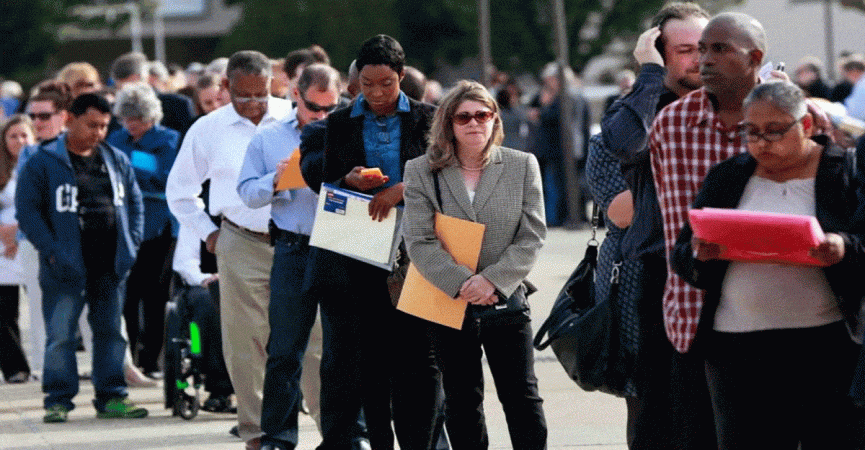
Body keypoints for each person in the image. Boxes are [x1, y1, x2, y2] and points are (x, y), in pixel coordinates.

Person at [672, 80, 863, 449]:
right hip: (736, 351)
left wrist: (842, 247)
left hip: (825, 346)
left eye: (775, 131)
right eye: (751, 132)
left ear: (805, 125)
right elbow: (682, 255)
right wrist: (700, 253)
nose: (762, 143)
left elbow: (861, 241)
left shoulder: (843, 171)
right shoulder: (727, 177)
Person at [307, 34, 437, 450]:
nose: (377, 93)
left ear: (401, 77)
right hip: (360, 244)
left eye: (386, 83)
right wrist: (350, 180)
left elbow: (445, 175)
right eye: (367, 84)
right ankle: (378, 441)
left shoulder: (428, 117)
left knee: (418, 360)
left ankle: (423, 441)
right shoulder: (340, 122)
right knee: (369, 360)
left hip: (419, 246)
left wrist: (401, 188)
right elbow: (326, 178)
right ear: (356, 82)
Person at [402, 79, 547, 449]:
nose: (474, 123)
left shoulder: (521, 165)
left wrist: (492, 282)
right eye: (463, 117)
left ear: (495, 119)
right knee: (463, 400)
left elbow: (532, 235)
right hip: (449, 302)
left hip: (506, 301)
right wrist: (464, 283)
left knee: (522, 398)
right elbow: (419, 239)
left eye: (483, 115)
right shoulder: (421, 171)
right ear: (449, 123)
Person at [599, 3, 714, 448]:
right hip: (657, 278)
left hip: (730, 275)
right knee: (658, 418)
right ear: (659, 53)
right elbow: (630, 143)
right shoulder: (641, 107)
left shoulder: (737, 104)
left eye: (706, 48)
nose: (699, 60)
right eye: (685, 50)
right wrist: (648, 77)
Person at [166, 50, 292, 450]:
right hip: (239, 240)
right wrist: (208, 233)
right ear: (224, 88)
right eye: (243, 95)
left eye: (261, 93)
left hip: (296, 240)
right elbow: (180, 192)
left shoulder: (293, 117)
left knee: (313, 338)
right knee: (245, 342)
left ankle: (333, 430)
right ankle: (256, 431)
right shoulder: (208, 129)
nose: (254, 104)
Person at [16, 93, 145, 422]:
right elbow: (28, 212)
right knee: (60, 335)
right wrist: (52, 250)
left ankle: (112, 395)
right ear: (70, 119)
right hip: (64, 265)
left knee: (111, 332)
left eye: (104, 126)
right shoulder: (42, 161)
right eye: (92, 125)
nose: (99, 133)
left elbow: (134, 203)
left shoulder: (116, 159)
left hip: (110, 263)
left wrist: (130, 243)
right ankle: (58, 400)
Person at [236, 63, 341, 450]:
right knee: (284, 349)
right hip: (294, 246)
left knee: (342, 348)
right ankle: (278, 437)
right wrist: (276, 180)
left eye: (332, 108)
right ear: (296, 95)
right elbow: (246, 192)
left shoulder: (348, 130)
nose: (323, 117)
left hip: (341, 247)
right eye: (316, 108)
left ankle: (348, 433)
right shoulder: (269, 138)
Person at [106, 82, 181, 378]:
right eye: (125, 118)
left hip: (159, 228)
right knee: (128, 294)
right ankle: (131, 359)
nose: (129, 125)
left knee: (155, 295)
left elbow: (168, 178)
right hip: (123, 228)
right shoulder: (116, 138)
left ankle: (154, 359)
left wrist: (133, 167)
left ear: (150, 117)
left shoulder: (170, 139)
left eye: (135, 119)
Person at [171, 224, 235, 413]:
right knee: (210, 302)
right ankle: (220, 388)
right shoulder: (197, 218)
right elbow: (184, 262)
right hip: (205, 283)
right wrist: (206, 278)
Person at [530, 62, 591, 227]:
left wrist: (542, 109)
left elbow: (554, 117)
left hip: (562, 147)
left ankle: (568, 217)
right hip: (575, 146)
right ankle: (577, 216)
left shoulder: (563, 96)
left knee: (564, 185)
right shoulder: (578, 95)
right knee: (574, 183)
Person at [0, 114, 34, 384]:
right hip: (2, 250)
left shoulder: (39, 165)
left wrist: (17, 233)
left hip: (30, 241)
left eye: (24, 135)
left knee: (40, 308)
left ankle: (47, 366)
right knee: (5, 312)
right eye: (13, 136)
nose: (20, 141)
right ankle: (15, 367)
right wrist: (6, 235)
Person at [110, 52, 197, 136]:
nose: (123, 93)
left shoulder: (178, 105)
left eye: (124, 87)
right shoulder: (116, 111)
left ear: (136, 78)